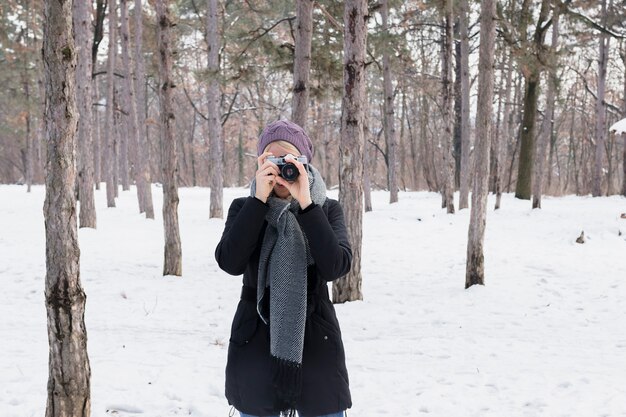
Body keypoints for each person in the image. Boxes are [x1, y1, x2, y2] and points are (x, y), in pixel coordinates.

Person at [215, 120, 352, 417]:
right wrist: (258, 202)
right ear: (260, 163)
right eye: (272, 160)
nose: (281, 170)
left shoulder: (327, 209)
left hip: (316, 342)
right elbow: (229, 262)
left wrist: (307, 205)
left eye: (290, 160)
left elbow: (336, 266)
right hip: (255, 344)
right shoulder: (245, 207)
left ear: (305, 164)